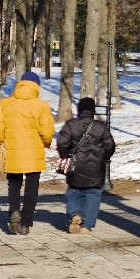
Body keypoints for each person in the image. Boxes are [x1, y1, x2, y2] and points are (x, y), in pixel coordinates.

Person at [0, 71, 55, 236]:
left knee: (14, 184)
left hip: (13, 151)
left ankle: (14, 210)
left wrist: (3, 140)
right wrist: (46, 143)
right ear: (36, 86)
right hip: (34, 152)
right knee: (31, 187)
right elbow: (47, 131)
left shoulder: (5, 103)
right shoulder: (42, 106)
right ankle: (26, 223)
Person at [55, 97, 116, 234]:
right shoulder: (100, 126)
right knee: (93, 194)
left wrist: (66, 156)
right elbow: (110, 145)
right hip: (96, 167)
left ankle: (75, 214)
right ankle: (86, 225)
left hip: (75, 166)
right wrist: (104, 157)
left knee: (74, 191)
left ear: (79, 109)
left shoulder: (71, 124)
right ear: (93, 110)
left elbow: (62, 143)